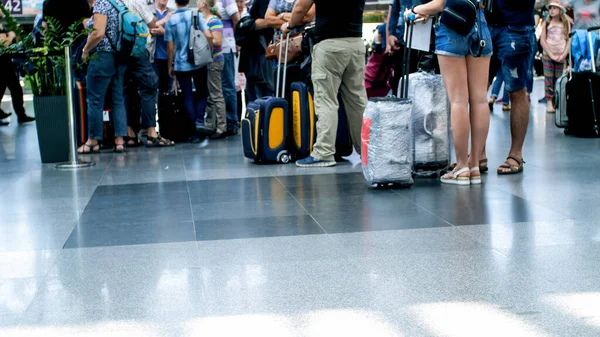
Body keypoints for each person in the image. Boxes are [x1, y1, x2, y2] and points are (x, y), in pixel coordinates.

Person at [406, 0, 492, 185]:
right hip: (480, 23)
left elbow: (440, 3)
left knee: (458, 101)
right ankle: (474, 164)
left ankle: (461, 167)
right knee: (480, 100)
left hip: (452, 26)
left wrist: (415, 10)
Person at [282, 0, 366, 167]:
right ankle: (366, 150)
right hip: (356, 43)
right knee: (357, 101)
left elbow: (301, 7)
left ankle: (324, 152)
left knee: (326, 100)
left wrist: (289, 25)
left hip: (330, 45)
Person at [487, 0, 536, 175]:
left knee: (516, 90)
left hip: (516, 25)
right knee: (476, 93)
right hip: (484, 23)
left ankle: (516, 154)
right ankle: (477, 154)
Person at [121, 0, 175, 147]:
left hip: (121, 52)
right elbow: (152, 24)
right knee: (149, 88)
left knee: (128, 91)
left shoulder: (113, 2)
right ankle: (151, 132)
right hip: (138, 50)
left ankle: (130, 134)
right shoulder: (136, 2)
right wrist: (164, 19)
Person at [78, 0, 129, 153]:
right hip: (119, 56)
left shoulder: (101, 5)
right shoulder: (117, 3)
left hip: (101, 57)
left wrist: (85, 50)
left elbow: (98, 33)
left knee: (94, 100)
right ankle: (119, 140)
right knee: (118, 99)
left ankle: (93, 141)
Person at [165, 0, 213, 142]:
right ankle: (199, 121)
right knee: (202, 92)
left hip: (181, 64)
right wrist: (207, 51)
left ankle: (193, 129)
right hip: (198, 61)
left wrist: (170, 65)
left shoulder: (171, 20)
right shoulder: (197, 15)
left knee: (187, 95)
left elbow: (170, 47)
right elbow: (208, 35)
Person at [199, 0, 228, 139]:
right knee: (211, 94)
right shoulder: (203, 19)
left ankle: (221, 127)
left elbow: (217, 41)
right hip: (207, 61)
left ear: (204, 3)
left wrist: (202, 37)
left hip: (214, 61)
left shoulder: (214, 20)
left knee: (216, 94)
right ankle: (211, 124)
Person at [541, 0, 571, 113]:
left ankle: (556, 101)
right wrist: (551, 54)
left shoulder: (565, 23)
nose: (552, 10)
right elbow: (543, 41)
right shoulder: (547, 23)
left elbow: (569, 40)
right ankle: (549, 101)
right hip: (548, 55)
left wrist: (563, 54)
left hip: (560, 56)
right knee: (548, 78)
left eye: (554, 8)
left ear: (560, 10)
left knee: (558, 79)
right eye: (550, 8)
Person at [386, 0, 421, 96]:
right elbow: (394, 12)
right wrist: (391, 33)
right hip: (403, 40)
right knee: (400, 79)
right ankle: (400, 106)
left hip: (425, 38)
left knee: (419, 80)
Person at [216, 0, 240, 136]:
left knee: (228, 86)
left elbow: (236, 19)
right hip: (212, 48)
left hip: (226, 45)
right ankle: (220, 121)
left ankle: (232, 122)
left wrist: (238, 40)